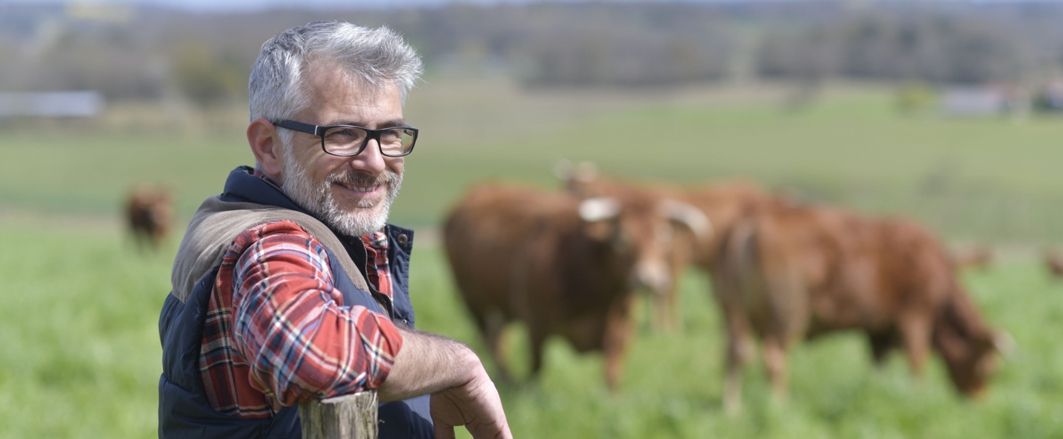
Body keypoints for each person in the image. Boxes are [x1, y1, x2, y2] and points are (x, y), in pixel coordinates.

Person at [158, 21, 511, 439]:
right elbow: (310, 353)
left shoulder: (326, 229)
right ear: (269, 146)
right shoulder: (269, 243)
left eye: (390, 134)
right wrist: (457, 365)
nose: (375, 162)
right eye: (343, 134)